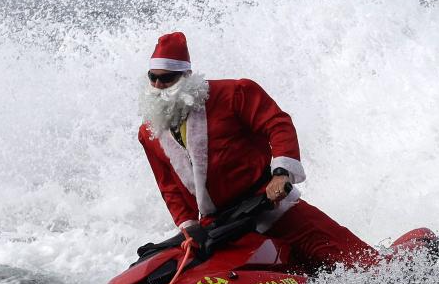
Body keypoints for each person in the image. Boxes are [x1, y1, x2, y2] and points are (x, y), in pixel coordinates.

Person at [137, 31, 382, 271]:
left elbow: (278, 124)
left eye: (167, 78)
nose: (159, 85)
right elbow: (169, 187)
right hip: (220, 226)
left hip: (270, 205)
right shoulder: (150, 133)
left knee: (357, 262)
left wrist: (281, 173)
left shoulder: (234, 93)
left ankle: (386, 272)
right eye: (153, 77)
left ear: (186, 76)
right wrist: (189, 226)